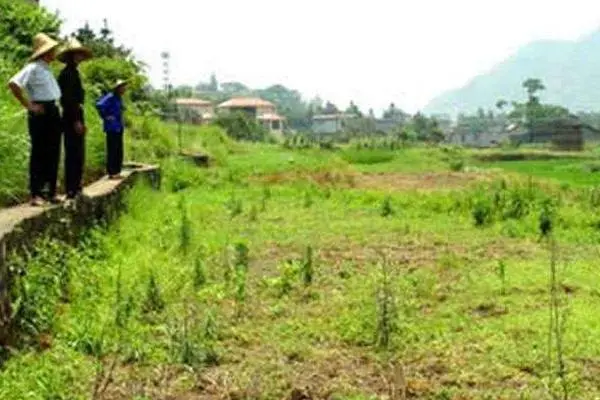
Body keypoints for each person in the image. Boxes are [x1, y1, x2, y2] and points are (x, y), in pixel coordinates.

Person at [7, 33, 62, 206]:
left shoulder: (47, 69)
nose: (55, 52)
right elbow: (13, 83)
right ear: (46, 52)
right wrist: (28, 105)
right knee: (39, 151)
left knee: (53, 152)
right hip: (40, 111)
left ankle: (50, 191)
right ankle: (36, 193)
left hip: (52, 110)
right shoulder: (32, 68)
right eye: (52, 50)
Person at [57, 38, 93, 200]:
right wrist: (76, 121)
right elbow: (69, 100)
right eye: (77, 54)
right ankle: (72, 188)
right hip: (72, 116)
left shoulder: (74, 73)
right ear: (71, 56)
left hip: (76, 114)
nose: (79, 57)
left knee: (78, 152)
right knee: (73, 152)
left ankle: (76, 186)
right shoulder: (67, 74)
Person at [96, 80, 128, 179]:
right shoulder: (110, 97)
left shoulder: (119, 98)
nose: (124, 89)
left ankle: (117, 172)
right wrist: (106, 116)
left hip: (119, 127)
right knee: (112, 150)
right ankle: (112, 172)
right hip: (112, 127)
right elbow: (99, 105)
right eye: (122, 87)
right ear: (117, 88)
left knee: (119, 149)